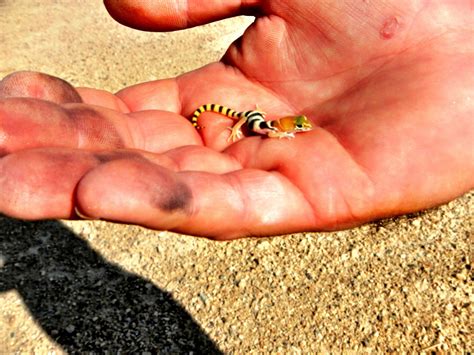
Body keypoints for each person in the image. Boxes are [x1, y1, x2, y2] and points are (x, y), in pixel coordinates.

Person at [0, 0, 472, 239]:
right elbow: (264, 126)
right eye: (299, 129)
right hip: (240, 118)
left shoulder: (288, 129)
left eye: (299, 130)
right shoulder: (275, 127)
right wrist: (229, 122)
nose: (301, 132)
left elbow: (277, 128)